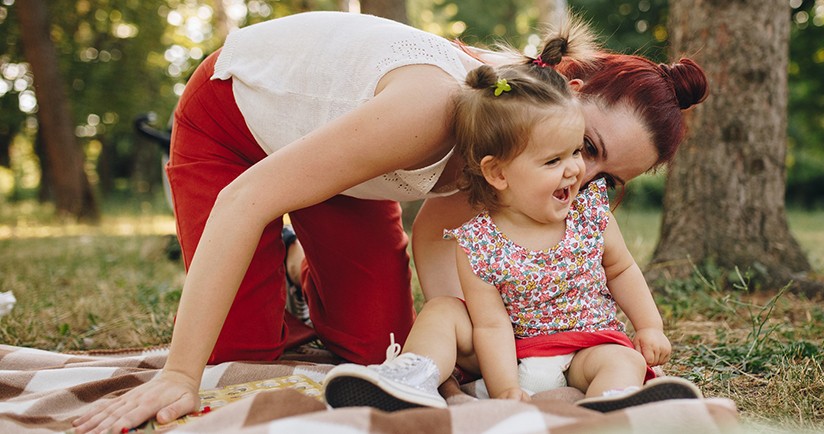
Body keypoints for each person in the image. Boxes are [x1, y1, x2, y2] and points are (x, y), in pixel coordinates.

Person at [73, 10, 707, 434]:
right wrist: (180, 375)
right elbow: (243, 199)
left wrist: (473, 337)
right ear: (564, 88)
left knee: (379, 344)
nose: (581, 180)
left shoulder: (509, 148)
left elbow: (439, 234)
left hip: (346, 165)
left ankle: (295, 260)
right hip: (235, 129)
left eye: (607, 179)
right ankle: (286, 251)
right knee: (240, 358)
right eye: (588, 148)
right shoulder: (435, 108)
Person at [323, 54, 704, 413]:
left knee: (622, 359)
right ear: (499, 174)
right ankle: (412, 379)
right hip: (508, 351)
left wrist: (649, 326)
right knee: (442, 312)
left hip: (584, 344)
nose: (579, 172)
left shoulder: (590, 214)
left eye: (576, 152)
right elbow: (490, 323)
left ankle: (612, 403)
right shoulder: (477, 241)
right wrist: (505, 387)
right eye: (559, 157)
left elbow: (621, 271)